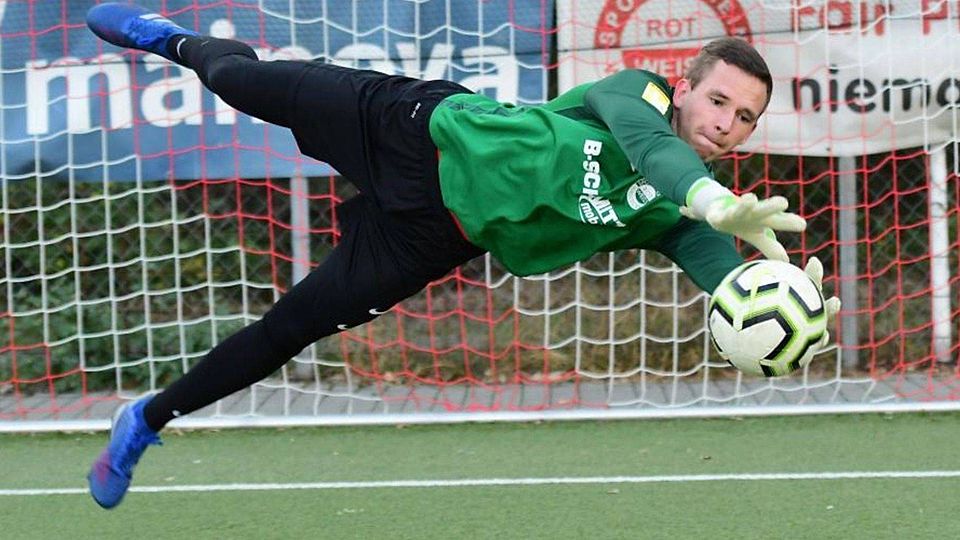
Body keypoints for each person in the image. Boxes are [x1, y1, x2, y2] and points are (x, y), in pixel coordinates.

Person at [84, 3, 839, 509]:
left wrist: (775, 298)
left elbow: (725, 274)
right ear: (684, 88)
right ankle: (171, 37)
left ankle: (145, 419)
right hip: (417, 130)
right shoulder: (635, 96)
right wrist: (710, 198)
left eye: (745, 117)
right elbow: (652, 151)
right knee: (235, 79)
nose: (727, 123)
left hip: (432, 236)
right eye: (718, 101)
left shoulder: (679, 214)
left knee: (291, 328)